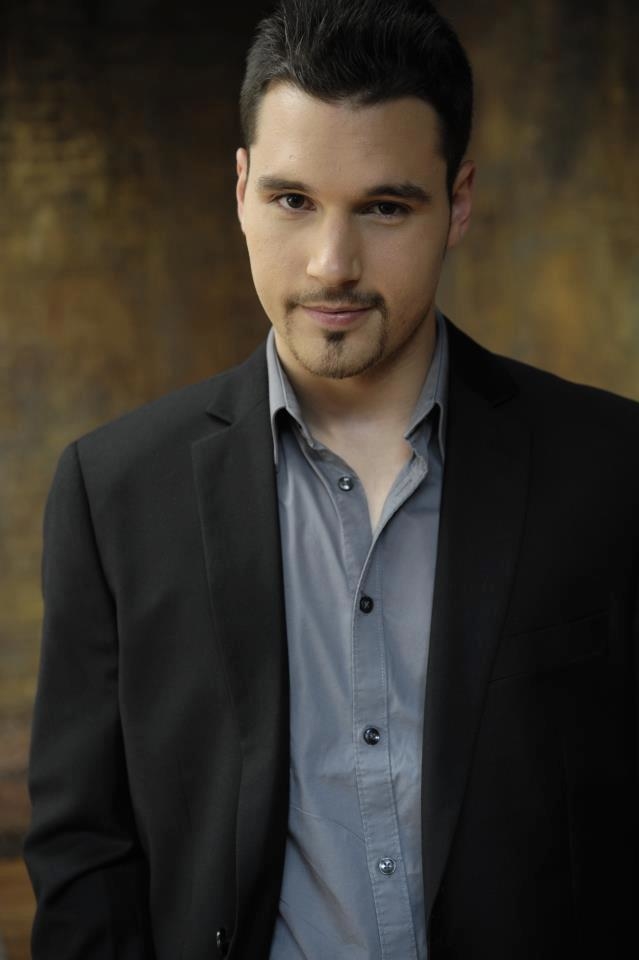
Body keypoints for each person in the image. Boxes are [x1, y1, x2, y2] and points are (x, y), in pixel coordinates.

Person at [23, 0, 638, 957]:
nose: (331, 265)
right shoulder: (114, 493)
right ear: (239, 191)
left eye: (384, 207)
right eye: (291, 201)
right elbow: (84, 852)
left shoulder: (611, 467)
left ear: (458, 203)